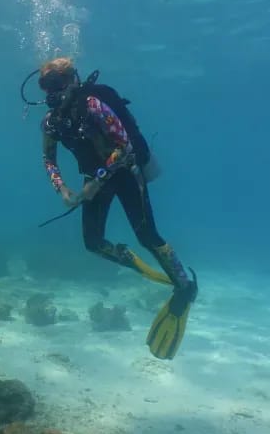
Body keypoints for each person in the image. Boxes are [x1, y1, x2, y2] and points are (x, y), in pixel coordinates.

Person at [29, 57, 198, 360]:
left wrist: (97, 181)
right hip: (92, 180)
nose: (52, 91)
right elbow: (48, 159)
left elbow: (123, 145)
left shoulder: (93, 104)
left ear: (73, 80)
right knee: (92, 243)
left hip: (125, 173)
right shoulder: (50, 122)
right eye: (46, 86)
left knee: (147, 235)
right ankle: (133, 262)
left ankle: (184, 287)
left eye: (57, 83)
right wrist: (62, 189)